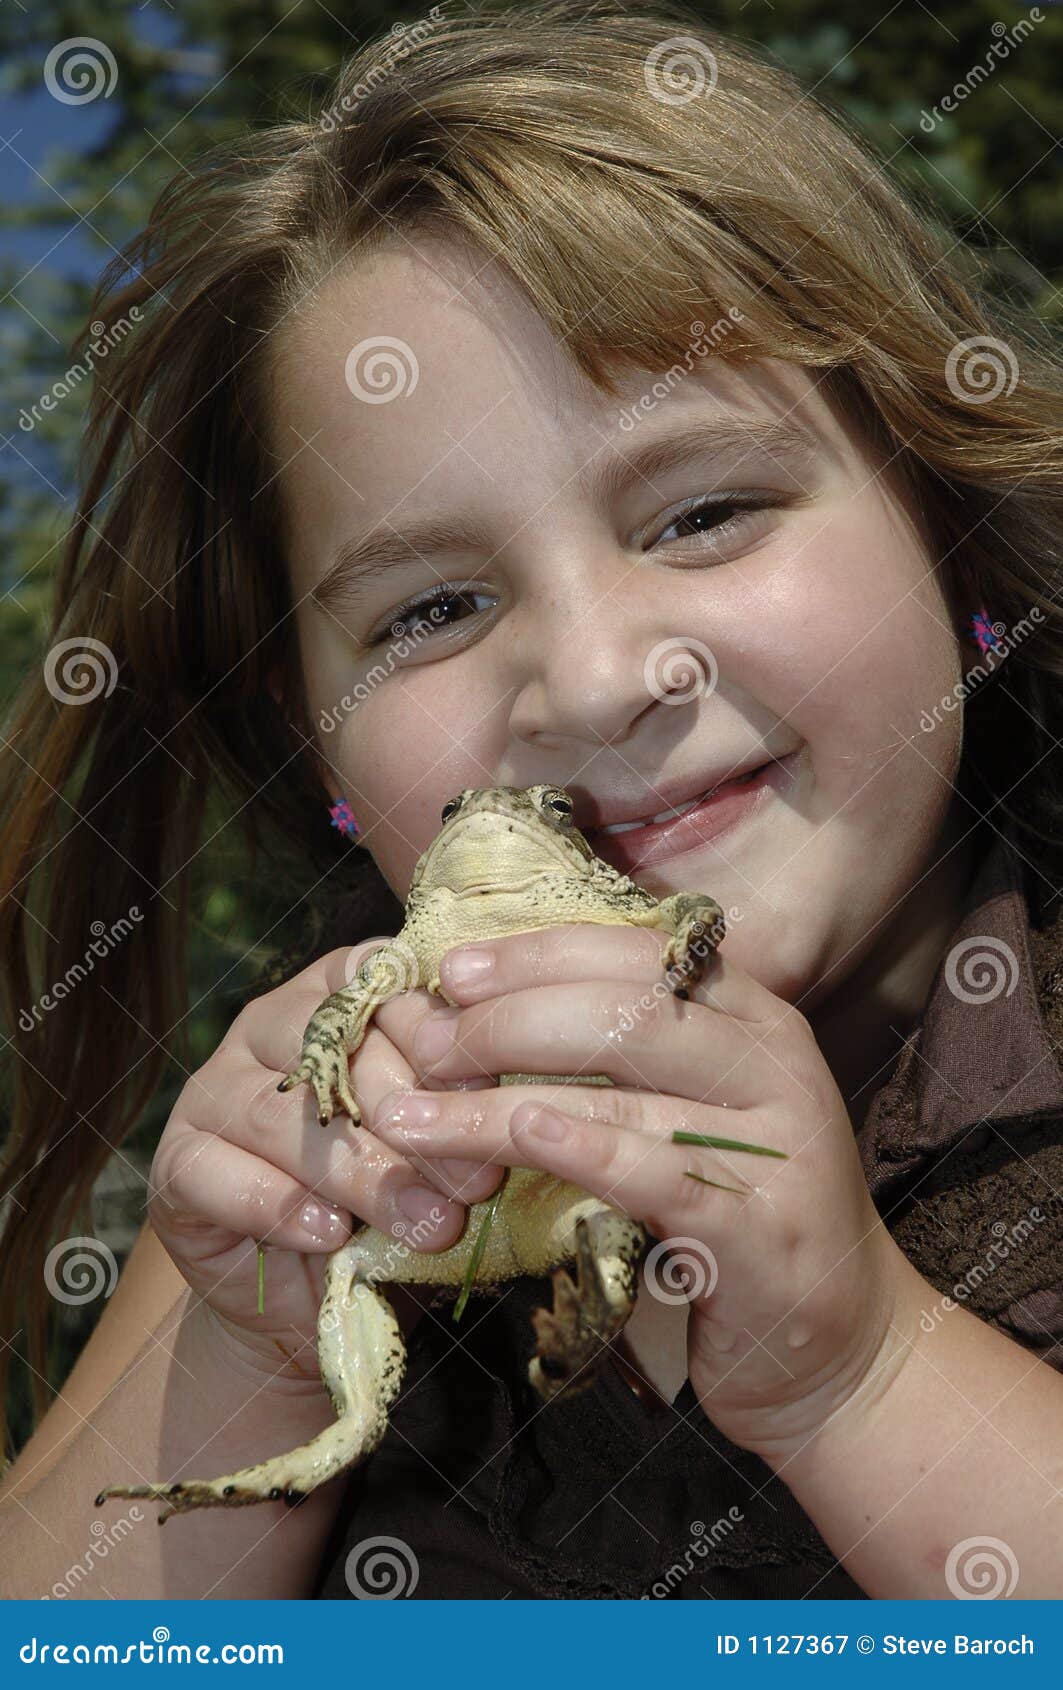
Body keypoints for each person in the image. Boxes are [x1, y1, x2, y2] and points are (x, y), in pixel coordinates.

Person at [1, 0, 1061, 1601]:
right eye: (431, 609)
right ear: (317, 744)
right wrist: (255, 1353)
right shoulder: (333, 1135)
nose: (595, 676)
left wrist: (864, 1376)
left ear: (941, 508)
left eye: (704, 511)